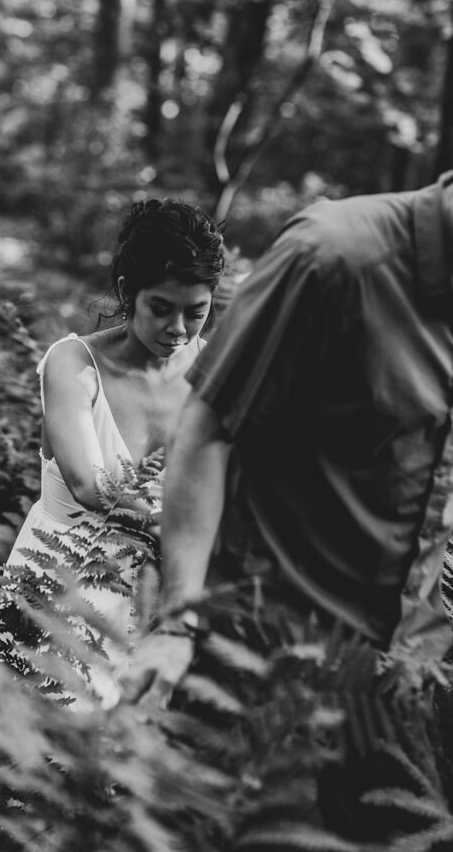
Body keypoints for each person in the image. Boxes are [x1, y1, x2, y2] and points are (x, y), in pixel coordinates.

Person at [120, 173, 453, 708]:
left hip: (408, 678)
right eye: (162, 308)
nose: (178, 327)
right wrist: (176, 627)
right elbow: (204, 431)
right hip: (264, 660)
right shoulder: (331, 256)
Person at [2, 197, 227, 702]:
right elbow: (88, 484)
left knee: (129, 761)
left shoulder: (210, 370)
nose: (178, 330)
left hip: (156, 594)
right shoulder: (73, 364)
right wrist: (188, 529)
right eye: (161, 309)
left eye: (197, 313)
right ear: (128, 291)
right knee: (36, 757)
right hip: (61, 583)